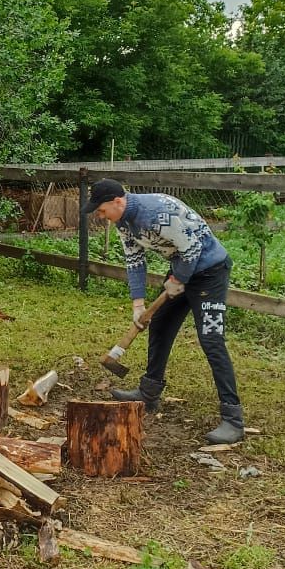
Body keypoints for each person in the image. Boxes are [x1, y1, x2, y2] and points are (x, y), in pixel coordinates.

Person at [82, 178, 245, 445]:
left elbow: (193, 248)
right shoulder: (123, 222)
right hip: (181, 268)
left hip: (209, 272)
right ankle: (149, 393)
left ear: (117, 202)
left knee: (212, 340)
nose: (101, 217)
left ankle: (233, 420)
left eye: (101, 210)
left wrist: (178, 280)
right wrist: (138, 304)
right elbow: (135, 261)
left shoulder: (156, 212)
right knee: (159, 325)